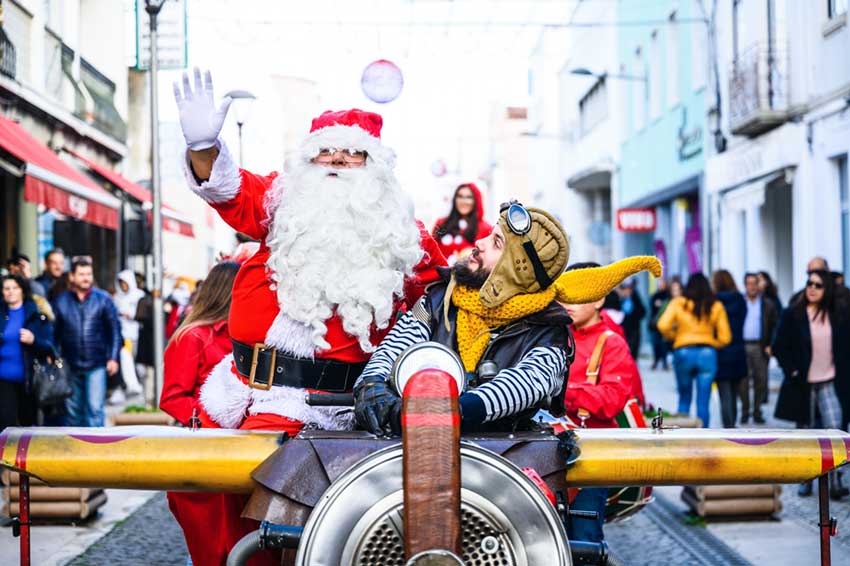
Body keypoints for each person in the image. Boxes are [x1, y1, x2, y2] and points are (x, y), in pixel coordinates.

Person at [175, 69, 446, 563]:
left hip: (320, 405)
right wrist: (203, 147)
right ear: (309, 159)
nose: (337, 159)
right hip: (236, 388)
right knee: (191, 486)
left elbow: (446, 304)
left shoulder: (403, 236)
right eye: (326, 151)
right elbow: (229, 189)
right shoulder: (283, 202)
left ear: (375, 166)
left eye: (352, 152)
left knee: (263, 508)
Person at [353, 203, 658, 435]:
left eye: (496, 242)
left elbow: (530, 382)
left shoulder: (548, 329)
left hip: (505, 463)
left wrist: (454, 410)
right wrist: (372, 385)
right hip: (417, 450)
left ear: (517, 270)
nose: (480, 243)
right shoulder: (438, 300)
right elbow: (396, 346)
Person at [161, 261, 238, 566]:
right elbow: (172, 398)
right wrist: (210, 418)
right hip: (206, 449)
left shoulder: (242, 334)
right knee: (209, 541)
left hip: (237, 445)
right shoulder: (193, 336)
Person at [559, 261, 640, 544]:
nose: (568, 302)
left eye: (578, 295)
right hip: (549, 455)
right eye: (565, 294)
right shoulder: (553, 336)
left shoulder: (611, 342)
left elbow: (612, 400)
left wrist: (560, 392)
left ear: (599, 300)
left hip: (592, 457)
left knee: (584, 541)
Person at [773, 269, 850, 499]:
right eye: (809, 284)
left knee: (836, 430)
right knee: (806, 434)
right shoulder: (793, 314)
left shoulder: (837, 314)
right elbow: (779, 346)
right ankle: (805, 480)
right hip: (803, 383)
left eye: (818, 285)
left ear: (827, 289)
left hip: (830, 380)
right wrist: (792, 370)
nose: (812, 289)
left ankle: (835, 480)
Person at [51, 258, 122, 427]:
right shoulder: (61, 302)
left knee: (95, 410)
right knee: (73, 412)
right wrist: (54, 356)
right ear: (72, 276)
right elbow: (53, 334)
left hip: (97, 363)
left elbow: (115, 331)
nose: (86, 278)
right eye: (81, 274)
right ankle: (75, 444)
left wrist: (113, 358)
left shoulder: (103, 299)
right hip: (70, 364)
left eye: (89, 274)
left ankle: (97, 444)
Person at [656, 273, 732, 427]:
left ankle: (682, 433)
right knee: (703, 401)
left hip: (683, 351)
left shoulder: (678, 303)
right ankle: (703, 434)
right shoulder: (716, 305)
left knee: (684, 397)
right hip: (707, 354)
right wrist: (711, 342)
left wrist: (676, 337)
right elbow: (726, 337)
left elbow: (662, 325)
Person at [0, 275, 55, 430]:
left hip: (29, 379)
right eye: (7, 288)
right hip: (3, 379)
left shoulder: (35, 313)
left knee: (27, 424)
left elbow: (49, 347)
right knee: (5, 424)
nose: (11, 292)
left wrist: (33, 340)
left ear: (22, 291)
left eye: (15, 288)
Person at [740, 272, 779, 425]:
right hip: (743, 345)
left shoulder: (767, 304)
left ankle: (757, 410)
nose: (752, 287)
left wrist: (771, 344)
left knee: (761, 380)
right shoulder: (740, 302)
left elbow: (775, 326)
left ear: (758, 285)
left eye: (754, 283)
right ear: (745, 285)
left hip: (760, 346)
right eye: (749, 283)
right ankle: (745, 411)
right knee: (743, 381)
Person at [711, 270, 748, 428]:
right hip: (738, 350)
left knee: (724, 392)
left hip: (721, 350)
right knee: (734, 392)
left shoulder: (714, 301)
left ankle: (728, 427)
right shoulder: (740, 299)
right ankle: (733, 424)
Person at [432, 182, 493, 265]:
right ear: (455, 199)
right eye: (460, 196)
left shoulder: (486, 228)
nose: (464, 201)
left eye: (469, 197)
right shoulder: (441, 223)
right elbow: (431, 251)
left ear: (476, 200)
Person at [112, 270, 145, 401]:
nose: (123, 286)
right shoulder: (117, 297)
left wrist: (129, 314)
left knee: (135, 362)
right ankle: (131, 385)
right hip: (123, 334)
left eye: (125, 283)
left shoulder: (139, 296)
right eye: (121, 284)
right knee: (126, 358)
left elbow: (141, 314)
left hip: (137, 334)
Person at [619, 280, 646, 360]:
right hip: (623, 330)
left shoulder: (635, 299)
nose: (627, 291)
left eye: (629, 289)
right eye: (625, 289)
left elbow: (643, 312)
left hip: (634, 330)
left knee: (633, 353)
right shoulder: (619, 300)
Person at [649, 279, 671, 370]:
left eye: (662, 284)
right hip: (656, 325)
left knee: (664, 344)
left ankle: (664, 362)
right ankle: (656, 360)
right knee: (656, 343)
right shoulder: (655, 296)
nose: (661, 285)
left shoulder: (668, 296)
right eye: (660, 284)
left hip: (665, 323)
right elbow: (651, 309)